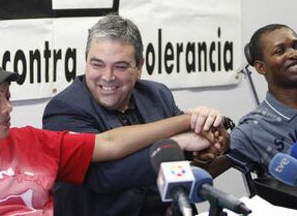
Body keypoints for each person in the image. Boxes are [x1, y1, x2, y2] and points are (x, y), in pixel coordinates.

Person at [0, 52, 215, 215]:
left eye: (8, 97)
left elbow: (109, 144)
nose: (7, 108)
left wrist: (184, 125)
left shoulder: (31, 141)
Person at [42, 14, 230, 216]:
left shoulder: (157, 95)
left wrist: (211, 140)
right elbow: (105, 176)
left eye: (120, 66)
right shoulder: (64, 108)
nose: (107, 76)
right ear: (86, 61)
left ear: (139, 67)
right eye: (97, 64)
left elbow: (188, 151)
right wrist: (177, 142)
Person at [230, 24, 297, 173]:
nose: (295, 54)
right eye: (280, 51)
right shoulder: (252, 130)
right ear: (261, 67)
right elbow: (200, 173)